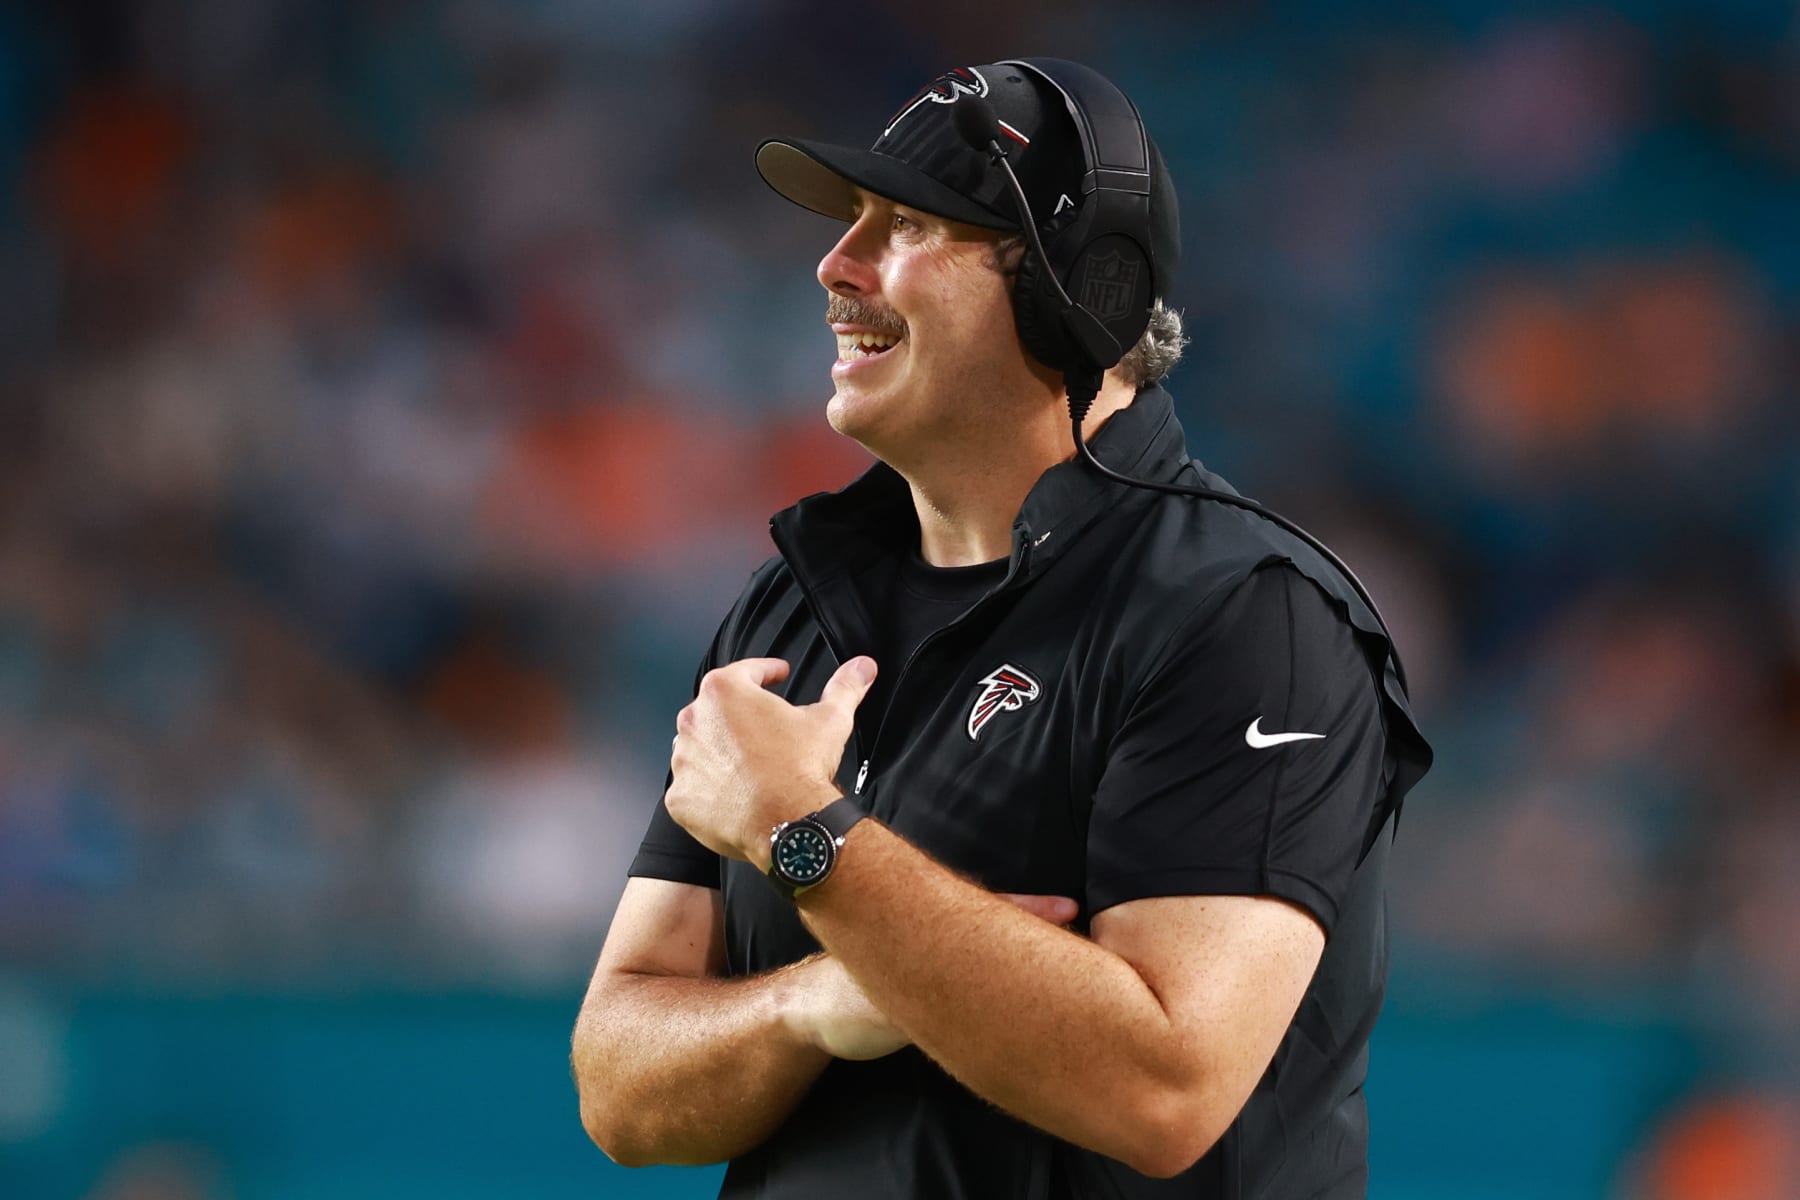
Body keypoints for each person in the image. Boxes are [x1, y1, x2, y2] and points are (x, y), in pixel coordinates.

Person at [572, 58, 1432, 1199]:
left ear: (1083, 292)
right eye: (852, 223)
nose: (836, 265)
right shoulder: (789, 606)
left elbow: (1164, 1086)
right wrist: (818, 1002)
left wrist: (805, 836)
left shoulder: (1246, 615)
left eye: (911, 225)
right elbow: (619, 1089)